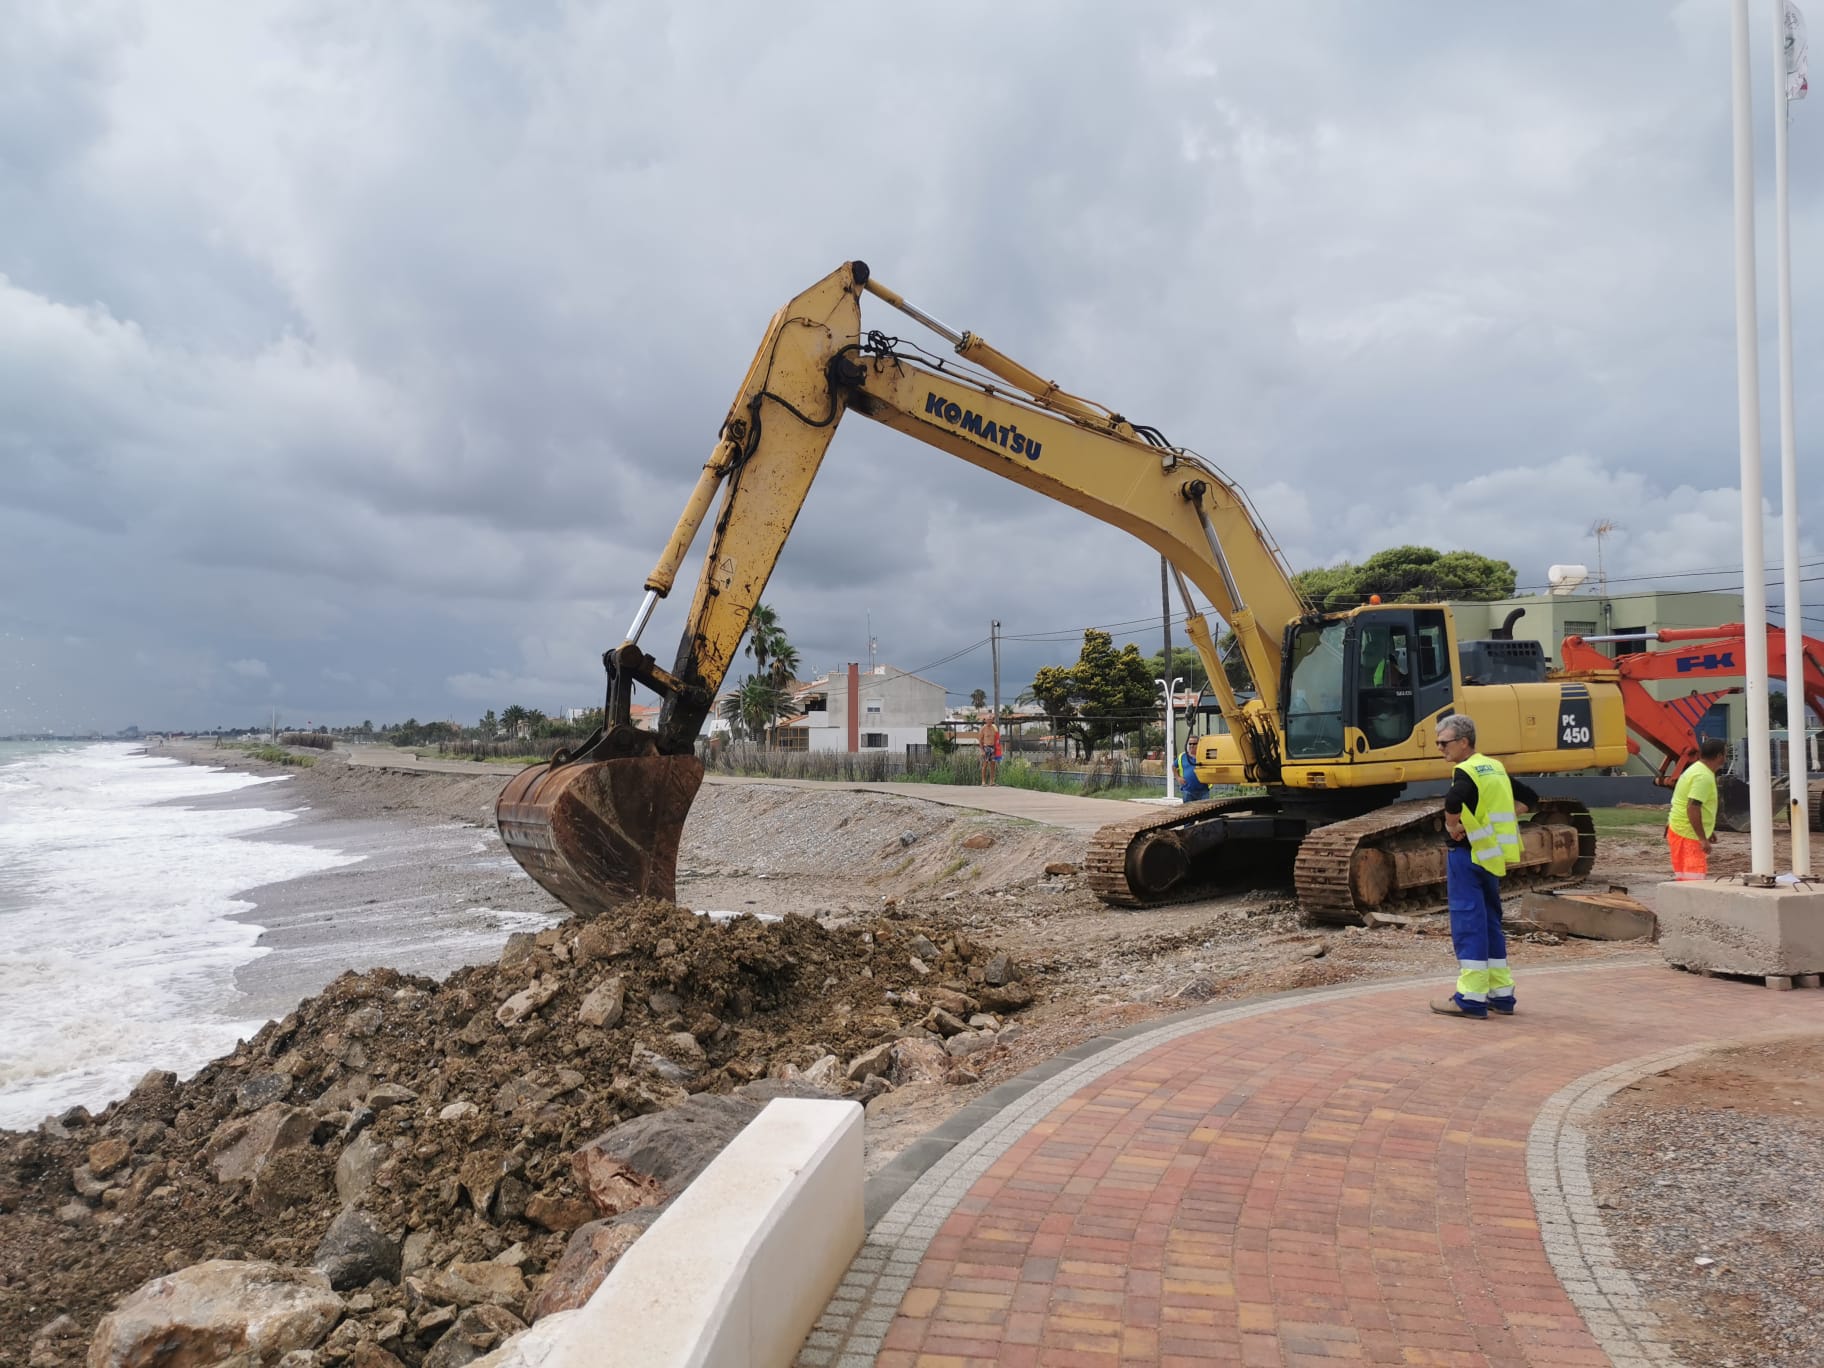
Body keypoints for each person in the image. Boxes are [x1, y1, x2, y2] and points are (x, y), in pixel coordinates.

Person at [1433, 714, 1537, 1020]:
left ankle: (1470, 997)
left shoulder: (1465, 771)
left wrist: (1453, 826)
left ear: (1464, 742)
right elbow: (1530, 798)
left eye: (1444, 742)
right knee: (1491, 922)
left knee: (1468, 923)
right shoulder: (1494, 767)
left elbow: (1454, 800)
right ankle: (1501, 995)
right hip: (1491, 858)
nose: (1440, 747)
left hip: (1467, 857)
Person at [1667, 737, 1727, 881]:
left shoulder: (1697, 770)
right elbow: (1693, 808)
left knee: (1683, 876)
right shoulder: (1703, 776)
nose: (1726, 757)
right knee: (1694, 878)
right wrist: (1702, 839)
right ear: (1719, 756)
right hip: (1688, 835)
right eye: (1725, 754)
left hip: (1681, 830)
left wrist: (1707, 831)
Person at [1178, 734, 1210, 802]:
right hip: (1188, 791)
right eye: (1190, 744)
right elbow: (1174, 767)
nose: (1192, 745)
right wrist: (1178, 777)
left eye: (1194, 744)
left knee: (1204, 811)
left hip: (1203, 791)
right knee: (1188, 811)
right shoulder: (1182, 756)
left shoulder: (1205, 756)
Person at [979, 718, 1000, 786]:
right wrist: (982, 750)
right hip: (986, 747)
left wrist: (997, 749)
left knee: (993, 765)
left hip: (993, 748)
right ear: (985, 720)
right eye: (988, 719)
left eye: (990, 719)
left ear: (992, 720)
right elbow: (980, 739)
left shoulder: (994, 728)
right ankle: (983, 781)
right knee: (985, 764)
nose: (989, 721)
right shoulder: (983, 728)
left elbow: (996, 738)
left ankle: (992, 782)